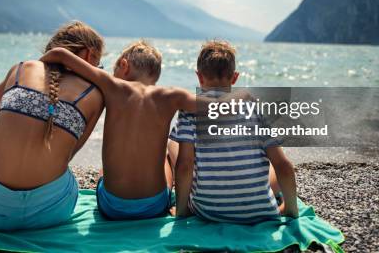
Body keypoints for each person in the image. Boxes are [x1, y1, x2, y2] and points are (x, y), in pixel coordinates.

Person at [0, 21, 105, 230]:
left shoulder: (23, 68)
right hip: (52, 211)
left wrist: (27, 114)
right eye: (98, 63)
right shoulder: (93, 94)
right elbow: (69, 154)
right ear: (88, 55)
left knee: (4, 122)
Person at [40, 40, 198, 220]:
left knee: (104, 169)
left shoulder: (111, 85)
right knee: (166, 153)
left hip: (112, 207)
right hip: (153, 206)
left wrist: (33, 74)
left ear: (124, 65)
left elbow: (60, 54)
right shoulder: (172, 96)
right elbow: (217, 104)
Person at [169, 40, 299, 223]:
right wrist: (290, 209)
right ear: (234, 77)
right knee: (274, 162)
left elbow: (185, 165)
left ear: (199, 77)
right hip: (261, 212)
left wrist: (183, 212)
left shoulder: (191, 110)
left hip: (208, 212)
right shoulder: (254, 107)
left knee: (176, 146)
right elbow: (284, 167)